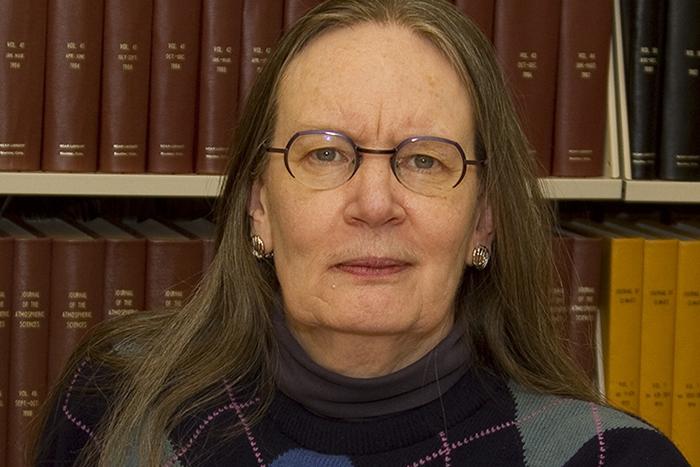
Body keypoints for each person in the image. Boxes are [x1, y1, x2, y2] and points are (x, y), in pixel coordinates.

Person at [33, 0, 689, 465]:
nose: (375, 203)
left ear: (482, 222)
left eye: (425, 159)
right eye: (324, 153)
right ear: (258, 207)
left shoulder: (606, 456)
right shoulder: (114, 400)